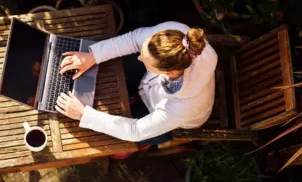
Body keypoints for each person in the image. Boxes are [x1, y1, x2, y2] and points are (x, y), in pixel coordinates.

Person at [55, 21, 218, 159]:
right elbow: (134, 39)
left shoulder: (183, 107)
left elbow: (135, 130)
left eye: (145, 61)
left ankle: (146, 144)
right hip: (152, 85)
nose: (139, 57)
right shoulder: (174, 36)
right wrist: (92, 56)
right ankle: (136, 94)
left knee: (117, 144)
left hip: (170, 116)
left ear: (168, 73)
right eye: (142, 52)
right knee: (115, 67)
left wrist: (84, 115)